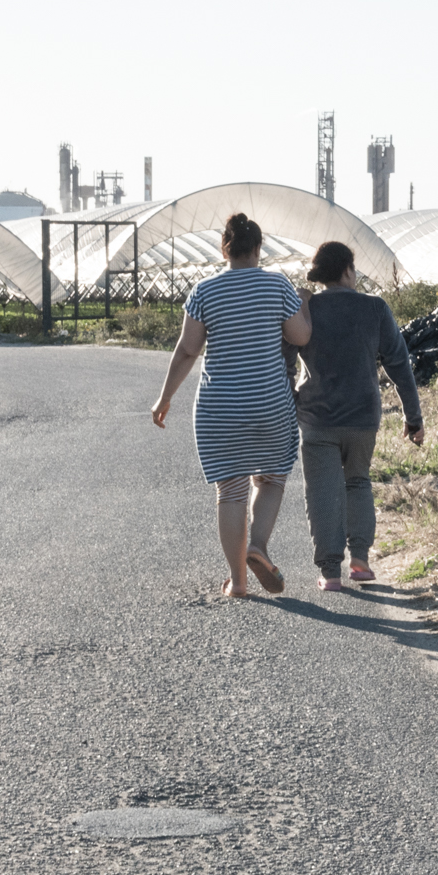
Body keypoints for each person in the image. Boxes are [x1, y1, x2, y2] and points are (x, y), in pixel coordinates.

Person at [151, 212, 313, 598]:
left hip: (219, 407)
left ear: (224, 249)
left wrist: (165, 396)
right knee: (272, 477)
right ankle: (258, 544)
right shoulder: (277, 285)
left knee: (231, 490)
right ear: (258, 249)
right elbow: (301, 336)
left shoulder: (205, 291)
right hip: (269, 403)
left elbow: (188, 350)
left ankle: (238, 582)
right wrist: (303, 304)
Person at [294, 241, 424, 591]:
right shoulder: (375, 308)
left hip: (316, 417)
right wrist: (413, 416)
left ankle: (330, 572)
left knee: (322, 490)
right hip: (363, 417)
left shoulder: (305, 308)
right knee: (358, 481)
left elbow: (284, 356)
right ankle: (361, 560)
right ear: (348, 271)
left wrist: (287, 399)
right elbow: (399, 364)